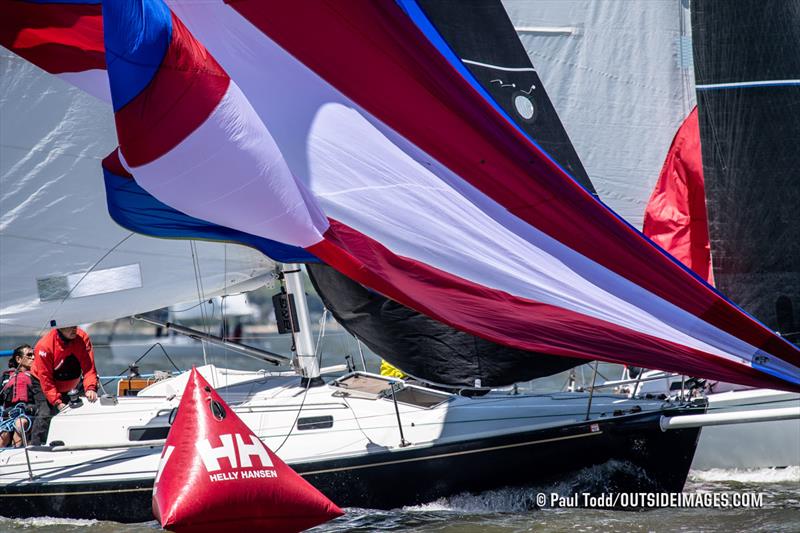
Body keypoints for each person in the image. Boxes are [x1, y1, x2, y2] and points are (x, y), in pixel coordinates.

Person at [32, 325, 99, 412]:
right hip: (43, 384)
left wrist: (90, 388)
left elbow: (89, 368)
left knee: (84, 409)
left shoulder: (82, 337)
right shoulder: (44, 346)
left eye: (75, 326)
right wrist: (57, 401)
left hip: (71, 384)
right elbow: (46, 378)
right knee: (46, 415)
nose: (74, 329)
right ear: (60, 327)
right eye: (70, 326)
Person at [1, 345, 49, 447]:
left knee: (20, 424)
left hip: (30, 412)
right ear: (18, 359)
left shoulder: (37, 376)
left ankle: (20, 453)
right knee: (3, 433)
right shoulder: (6, 377)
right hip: (8, 414)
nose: (33, 358)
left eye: (34, 355)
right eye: (29, 355)